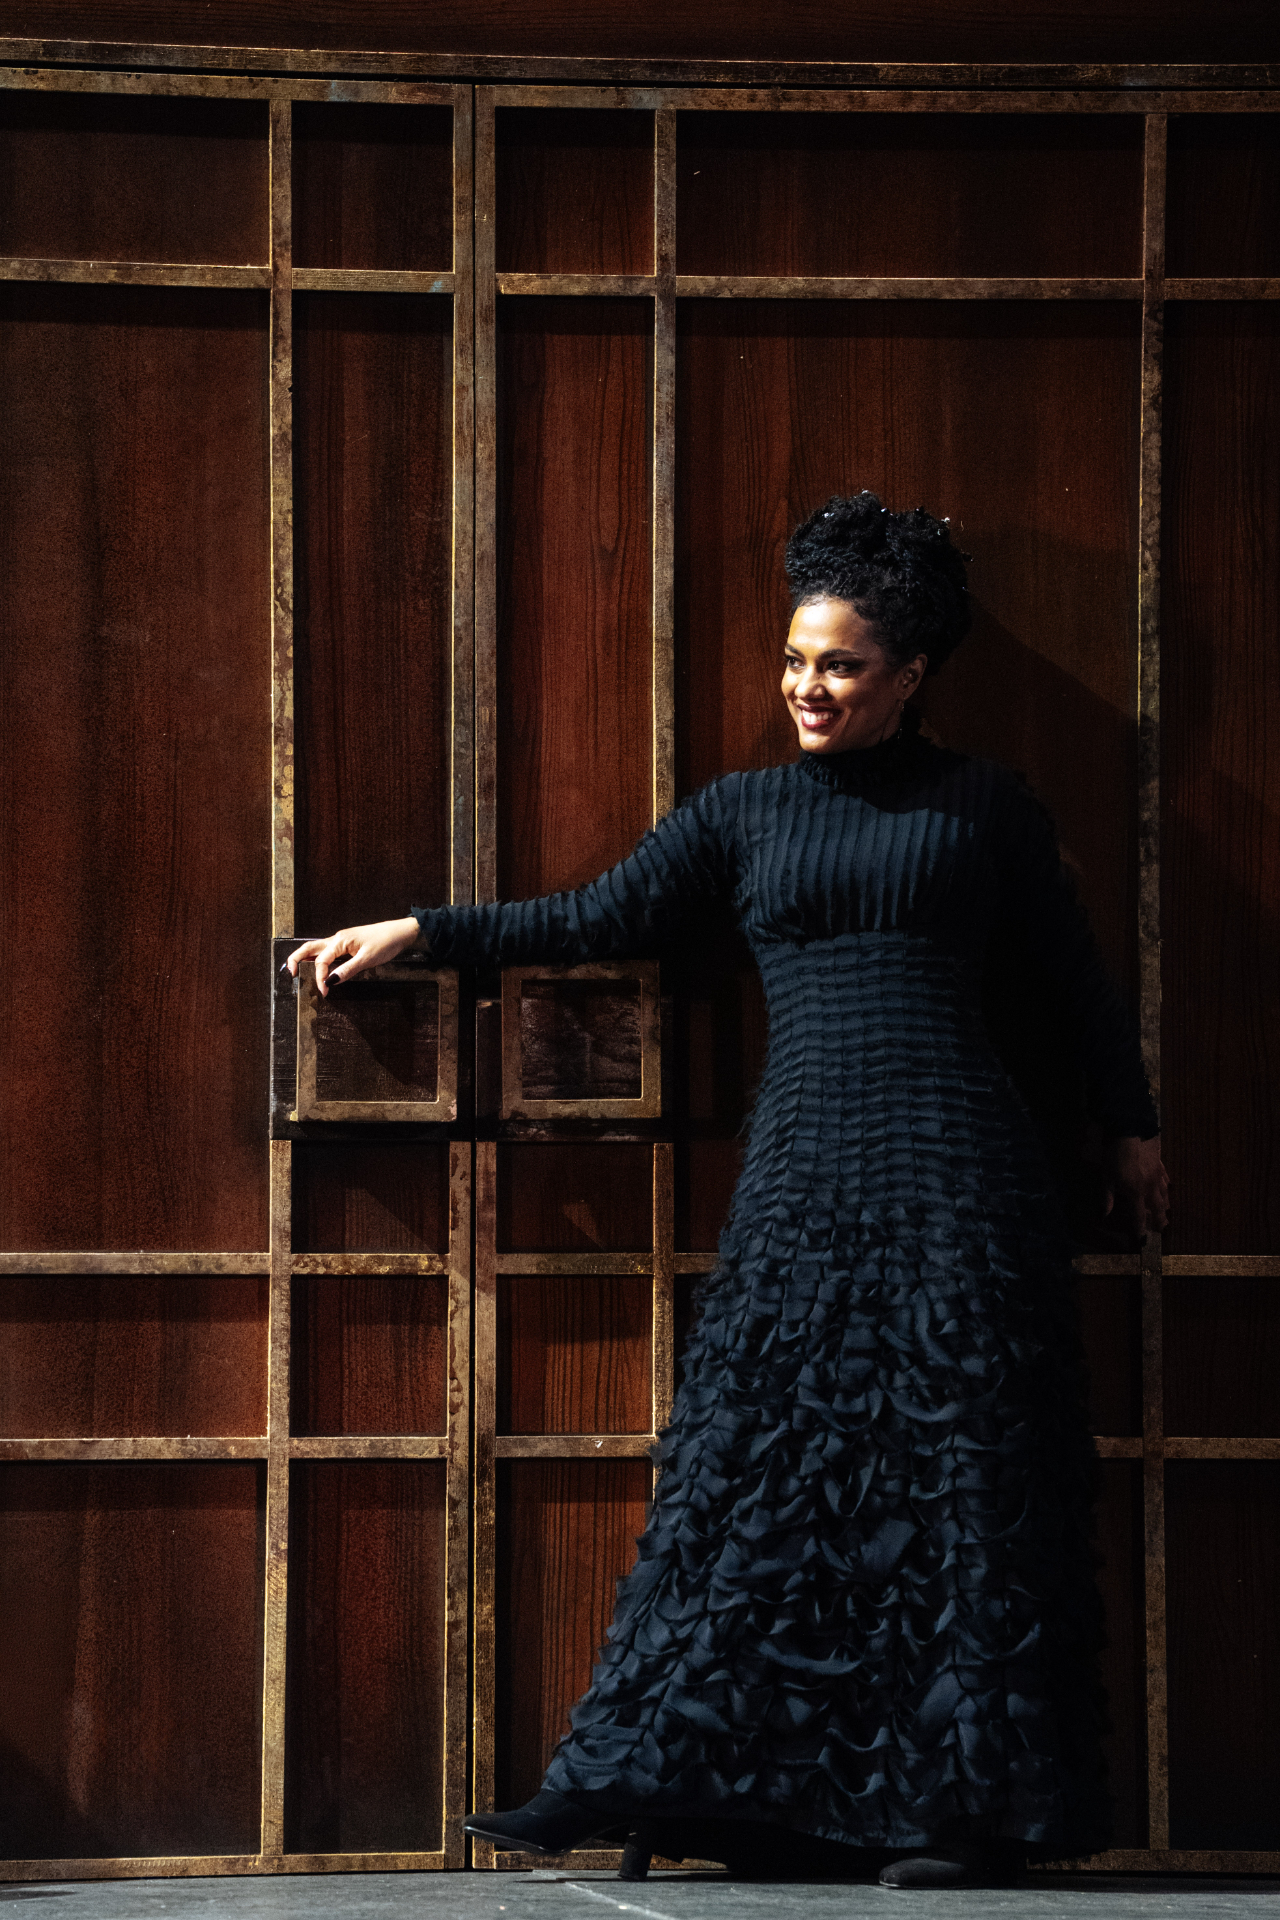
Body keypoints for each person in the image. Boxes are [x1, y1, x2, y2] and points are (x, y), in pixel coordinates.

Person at [288, 492, 1168, 1890]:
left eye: (842, 666)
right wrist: (418, 931)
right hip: (802, 1177)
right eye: (796, 661)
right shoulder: (742, 811)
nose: (808, 688)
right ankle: (698, 1795)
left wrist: (1132, 1130)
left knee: (959, 1485)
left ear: (911, 674)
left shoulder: (988, 803)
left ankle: (951, 1818)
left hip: (962, 1177)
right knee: (762, 1483)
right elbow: (593, 916)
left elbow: (1074, 983)